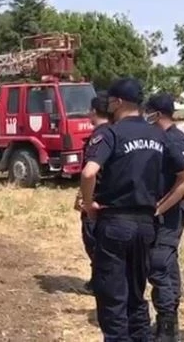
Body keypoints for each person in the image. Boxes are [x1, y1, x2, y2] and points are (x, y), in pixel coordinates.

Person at [81, 77, 184, 340]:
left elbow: (89, 173)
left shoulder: (111, 132)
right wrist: (160, 207)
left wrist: (89, 206)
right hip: (146, 226)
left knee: (113, 299)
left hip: (115, 223)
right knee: (136, 297)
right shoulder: (159, 134)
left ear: (118, 102)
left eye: (110, 101)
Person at [145, 93, 184, 340]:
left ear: (156, 113)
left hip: (169, 216)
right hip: (164, 215)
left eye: (148, 112)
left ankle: (166, 329)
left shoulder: (174, 141)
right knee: (166, 265)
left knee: (159, 267)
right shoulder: (161, 138)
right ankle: (169, 320)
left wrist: (160, 208)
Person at [74, 91, 111, 292]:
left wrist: (86, 200)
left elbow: (91, 172)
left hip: (96, 198)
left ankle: (99, 280)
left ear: (94, 111)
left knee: (93, 239)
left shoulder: (99, 136)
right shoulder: (115, 132)